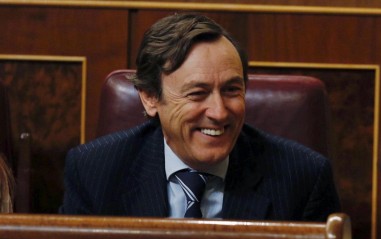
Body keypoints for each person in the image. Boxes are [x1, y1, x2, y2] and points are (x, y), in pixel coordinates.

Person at [59, 13, 340, 222]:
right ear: (150, 97)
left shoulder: (302, 179)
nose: (219, 112)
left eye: (232, 90)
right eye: (197, 93)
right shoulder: (94, 173)